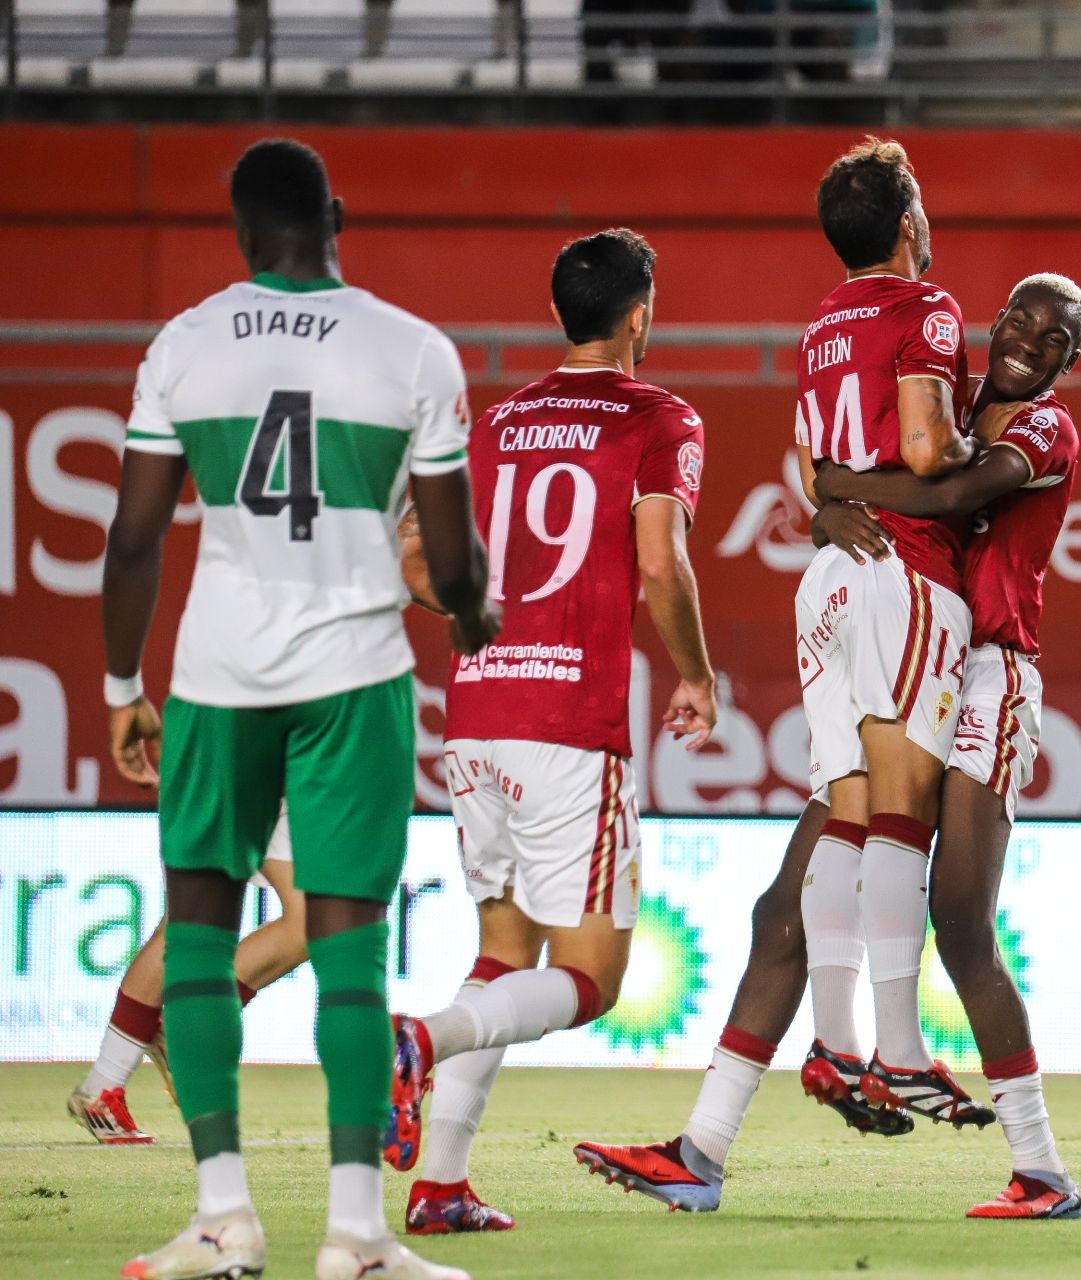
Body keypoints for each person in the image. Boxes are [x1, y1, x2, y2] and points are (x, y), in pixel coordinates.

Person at [570, 135, 988, 1213]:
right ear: (909, 222)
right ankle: (887, 1048)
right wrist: (978, 460)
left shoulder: (817, 325)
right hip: (902, 570)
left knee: (835, 836)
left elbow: (814, 465)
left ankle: (828, 1056)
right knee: (893, 823)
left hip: (830, 579)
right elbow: (930, 451)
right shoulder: (927, 308)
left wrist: (833, 488)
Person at [104, 137, 498, 1280]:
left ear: (237, 231)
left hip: (218, 670)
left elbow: (134, 538)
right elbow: (458, 556)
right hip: (355, 674)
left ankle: (223, 1216)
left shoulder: (182, 344)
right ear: (339, 214)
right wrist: (470, 620)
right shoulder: (412, 351)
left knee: (198, 927)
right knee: (349, 949)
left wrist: (124, 686)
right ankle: (356, 1233)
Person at [384, 228, 717, 1234]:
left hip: (476, 713)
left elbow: (413, 561)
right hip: (569, 725)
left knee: (502, 946)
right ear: (640, 312)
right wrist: (699, 673)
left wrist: (494, 624)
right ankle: (418, 1040)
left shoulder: (496, 422)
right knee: (590, 976)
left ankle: (440, 1182)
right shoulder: (660, 416)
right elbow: (660, 563)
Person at [806, 272, 1081, 1219]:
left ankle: (1043, 1169)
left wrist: (838, 486)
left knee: (963, 921)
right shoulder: (951, 407)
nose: (1029, 341)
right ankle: (864, 1049)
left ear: (1068, 364)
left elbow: (958, 491)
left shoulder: (1045, 431)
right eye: (1020, 319)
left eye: (1054, 338)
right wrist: (825, 506)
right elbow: (878, 475)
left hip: (995, 671)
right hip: (926, 646)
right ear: (995, 320)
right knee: (879, 845)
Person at [67, 809, 307, 1145]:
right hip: (230, 775)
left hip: (252, 779)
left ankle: (172, 1034)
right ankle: (106, 1083)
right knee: (193, 918)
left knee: (306, 920)